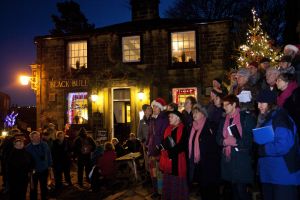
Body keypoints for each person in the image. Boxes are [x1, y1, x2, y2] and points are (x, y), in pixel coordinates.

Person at [255, 89, 300, 200]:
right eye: (258, 103)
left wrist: (263, 149)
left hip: (283, 176)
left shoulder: (280, 118)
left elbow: (283, 145)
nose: (259, 106)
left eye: (262, 103)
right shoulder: (267, 118)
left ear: (271, 103)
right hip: (270, 174)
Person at [216, 94, 256, 200]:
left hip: (241, 161)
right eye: (223, 105)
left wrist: (236, 142)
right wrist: (224, 142)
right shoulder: (223, 120)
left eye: (226, 105)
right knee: (233, 191)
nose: (224, 107)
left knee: (241, 191)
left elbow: (250, 139)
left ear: (234, 104)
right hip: (228, 160)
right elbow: (218, 138)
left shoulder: (245, 118)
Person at [188, 104, 220, 200]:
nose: (194, 114)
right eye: (193, 112)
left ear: (203, 114)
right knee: (202, 188)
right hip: (199, 163)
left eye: (197, 112)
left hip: (210, 163)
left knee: (211, 189)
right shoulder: (193, 127)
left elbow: (215, 144)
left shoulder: (210, 125)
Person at [159, 110, 189, 200]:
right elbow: (164, 142)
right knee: (169, 181)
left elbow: (183, 145)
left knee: (177, 182)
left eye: (171, 116)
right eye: (169, 117)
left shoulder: (183, 129)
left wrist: (170, 152)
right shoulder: (168, 129)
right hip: (168, 160)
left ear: (178, 118)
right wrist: (162, 147)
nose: (169, 118)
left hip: (178, 160)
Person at [146, 97, 169, 198]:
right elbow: (150, 134)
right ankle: (155, 191)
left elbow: (164, 134)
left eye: (156, 107)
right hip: (151, 148)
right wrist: (147, 144)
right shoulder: (152, 119)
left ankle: (161, 192)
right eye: (153, 106)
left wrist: (159, 146)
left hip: (160, 149)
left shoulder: (164, 119)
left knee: (160, 172)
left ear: (160, 108)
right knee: (153, 172)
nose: (154, 108)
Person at [26, 131, 52, 200]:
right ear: (31, 138)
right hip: (34, 171)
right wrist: (29, 169)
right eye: (35, 137)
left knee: (44, 186)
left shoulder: (45, 144)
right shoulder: (28, 148)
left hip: (44, 169)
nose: (37, 138)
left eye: (38, 136)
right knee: (33, 187)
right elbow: (26, 160)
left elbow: (49, 154)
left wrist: (50, 165)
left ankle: (44, 197)